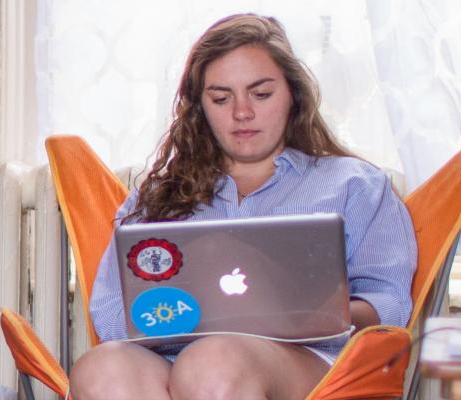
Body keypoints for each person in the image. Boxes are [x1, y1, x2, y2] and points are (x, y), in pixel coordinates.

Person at [67, 14, 416, 400]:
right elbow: (113, 312)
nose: (242, 113)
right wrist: (171, 317)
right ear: (199, 108)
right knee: (101, 368)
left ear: (292, 96)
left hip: (308, 363)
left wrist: (317, 312)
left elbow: (391, 304)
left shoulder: (354, 184)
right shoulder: (157, 197)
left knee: (213, 363)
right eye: (221, 98)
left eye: (261, 94)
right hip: (170, 359)